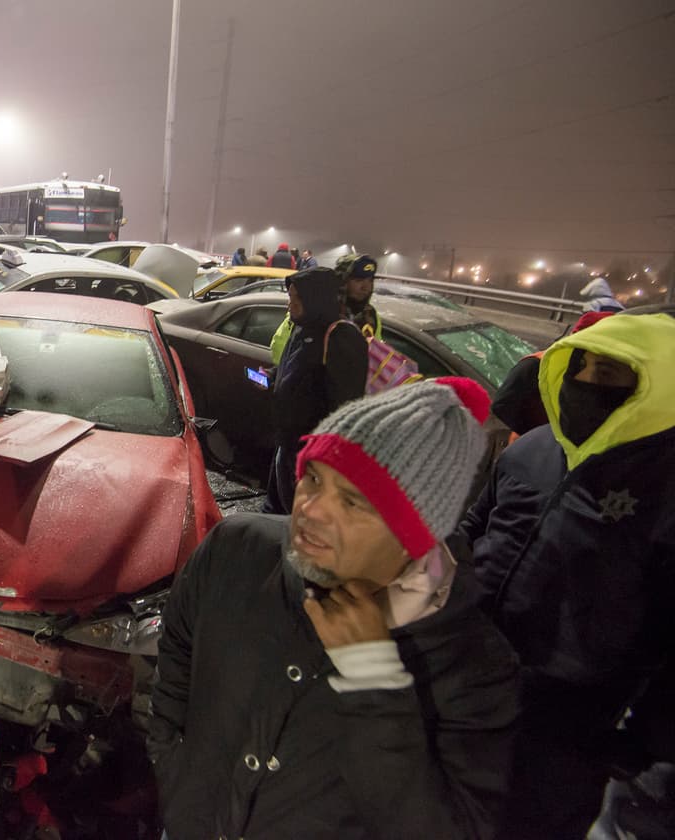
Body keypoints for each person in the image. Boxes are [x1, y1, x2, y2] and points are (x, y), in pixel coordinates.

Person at [150, 377, 520, 840]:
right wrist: (173, 767)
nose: (310, 509)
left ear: (415, 536)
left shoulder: (473, 666)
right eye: (314, 477)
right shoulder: (237, 549)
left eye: (353, 501)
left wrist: (373, 678)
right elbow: (176, 655)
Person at [457, 313, 675, 839]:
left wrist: (648, 738)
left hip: (567, 723)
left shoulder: (665, 489)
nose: (586, 385)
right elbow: (469, 530)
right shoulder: (532, 450)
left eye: (608, 375)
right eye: (579, 369)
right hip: (468, 678)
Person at [263, 267, 366, 514]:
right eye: (290, 298)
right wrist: (275, 377)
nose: (290, 305)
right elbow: (296, 369)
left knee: (296, 515)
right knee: (275, 509)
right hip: (286, 442)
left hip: (310, 454)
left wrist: (321, 459)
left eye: (296, 299)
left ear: (315, 299)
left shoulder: (341, 337)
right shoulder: (302, 329)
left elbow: (344, 405)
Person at [490, 310, 613, 436]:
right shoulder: (535, 365)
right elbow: (502, 406)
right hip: (534, 446)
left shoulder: (592, 373)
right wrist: (542, 436)